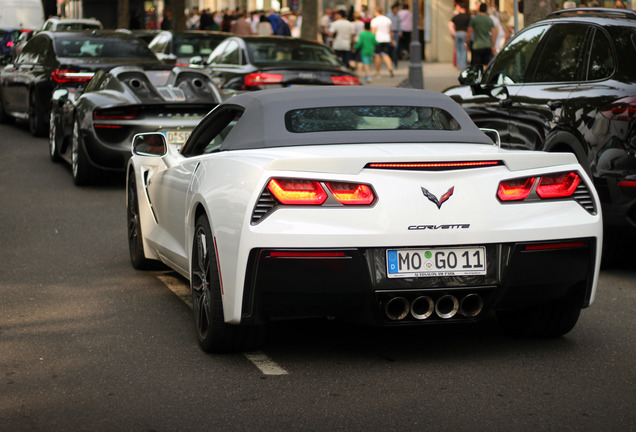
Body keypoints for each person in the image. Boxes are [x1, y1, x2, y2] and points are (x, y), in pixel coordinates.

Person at [466, 3, 497, 69]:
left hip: (477, 46)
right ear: (486, 10)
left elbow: (469, 32)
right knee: (485, 65)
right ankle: (484, 78)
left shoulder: (474, 19)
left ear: (479, 9)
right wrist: (493, 45)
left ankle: (478, 78)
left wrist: (467, 43)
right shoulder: (489, 20)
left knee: (476, 66)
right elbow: (494, 33)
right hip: (487, 45)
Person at [371, 7, 395, 78]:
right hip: (387, 39)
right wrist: (392, 40)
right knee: (385, 54)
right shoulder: (388, 20)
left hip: (378, 39)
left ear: (376, 12)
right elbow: (391, 31)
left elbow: (373, 32)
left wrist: (372, 41)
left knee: (377, 55)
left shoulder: (375, 20)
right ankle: (390, 67)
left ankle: (378, 72)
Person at [449, 2, 471, 70]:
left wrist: (453, 32)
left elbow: (450, 24)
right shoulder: (468, 17)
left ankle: (459, 65)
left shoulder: (456, 17)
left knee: (458, 50)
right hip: (464, 34)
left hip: (457, 34)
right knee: (464, 49)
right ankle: (463, 65)